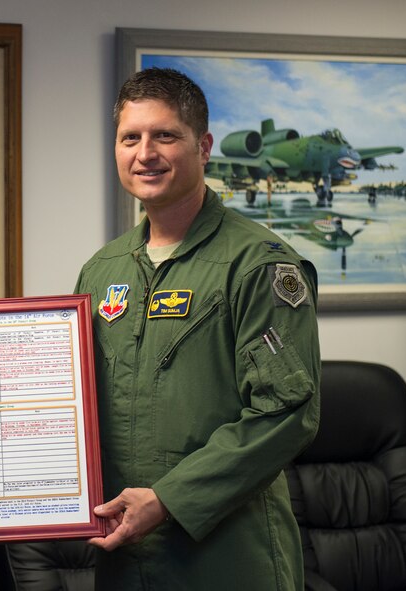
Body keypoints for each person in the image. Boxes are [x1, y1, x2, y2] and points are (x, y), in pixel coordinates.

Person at [75, 68, 321, 589]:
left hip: (226, 556)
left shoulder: (257, 265)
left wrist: (168, 500)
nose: (146, 153)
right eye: (130, 138)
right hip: (123, 555)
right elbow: (73, 402)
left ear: (204, 146)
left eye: (165, 135)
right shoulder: (102, 271)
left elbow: (286, 414)